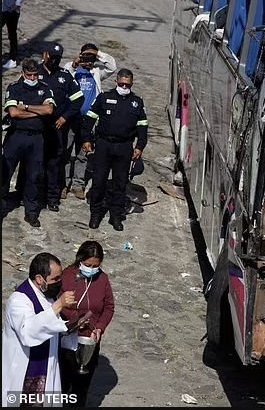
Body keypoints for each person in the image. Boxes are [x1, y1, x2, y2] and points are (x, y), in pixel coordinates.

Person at [15, 42, 85, 212]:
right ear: (45, 55)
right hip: (34, 126)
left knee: (53, 163)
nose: (54, 61)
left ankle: (52, 197)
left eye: (58, 58)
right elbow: (18, 94)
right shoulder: (33, 72)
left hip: (55, 127)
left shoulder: (65, 76)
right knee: (29, 161)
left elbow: (78, 99)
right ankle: (23, 193)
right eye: (52, 57)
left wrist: (64, 117)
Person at [2, 252, 76, 407]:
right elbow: (28, 332)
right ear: (39, 279)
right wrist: (58, 306)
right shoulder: (19, 300)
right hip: (26, 373)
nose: (59, 282)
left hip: (46, 368)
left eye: (60, 277)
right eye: (55, 279)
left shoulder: (47, 295)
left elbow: (50, 325)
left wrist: (70, 325)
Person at [82, 68, 148, 231]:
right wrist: (86, 140)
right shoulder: (104, 98)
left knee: (120, 183)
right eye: (121, 84)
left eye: (127, 85)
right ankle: (95, 214)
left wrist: (139, 146)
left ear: (131, 84)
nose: (124, 88)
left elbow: (143, 127)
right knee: (99, 181)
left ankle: (116, 216)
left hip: (124, 147)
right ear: (116, 82)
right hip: (104, 144)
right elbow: (89, 120)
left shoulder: (137, 102)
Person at [59, 240, 114, 407]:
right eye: (87, 264)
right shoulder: (68, 276)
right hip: (67, 339)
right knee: (62, 383)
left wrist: (99, 327)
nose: (91, 269)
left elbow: (109, 307)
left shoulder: (103, 279)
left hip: (89, 340)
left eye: (95, 265)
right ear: (80, 260)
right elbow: (58, 302)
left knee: (81, 387)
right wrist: (76, 319)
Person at [2, 58, 56, 227]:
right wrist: (37, 110)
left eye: (35, 75)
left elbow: (49, 110)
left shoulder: (45, 89)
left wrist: (25, 107)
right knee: (5, 173)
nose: (32, 78)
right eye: (29, 75)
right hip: (16, 136)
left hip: (36, 138)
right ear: (23, 73)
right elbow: (13, 113)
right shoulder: (14, 88)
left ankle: (31, 212)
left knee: (33, 176)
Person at [62, 43, 117, 201]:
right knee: (66, 152)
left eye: (91, 58)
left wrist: (98, 54)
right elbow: (66, 74)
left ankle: (78, 184)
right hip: (71, 118)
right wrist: (75, 64)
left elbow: (112, 66)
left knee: (82, 154)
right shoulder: (71, 68)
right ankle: (64, 184)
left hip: (88, 121)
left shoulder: (96, 72)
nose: (89, 61)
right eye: (86, 57)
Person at [1, 0, 26, 70]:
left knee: (12, 34)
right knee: (12, 34)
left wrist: (12, 8)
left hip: (11, 11)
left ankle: (13, 59)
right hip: (5, 8)